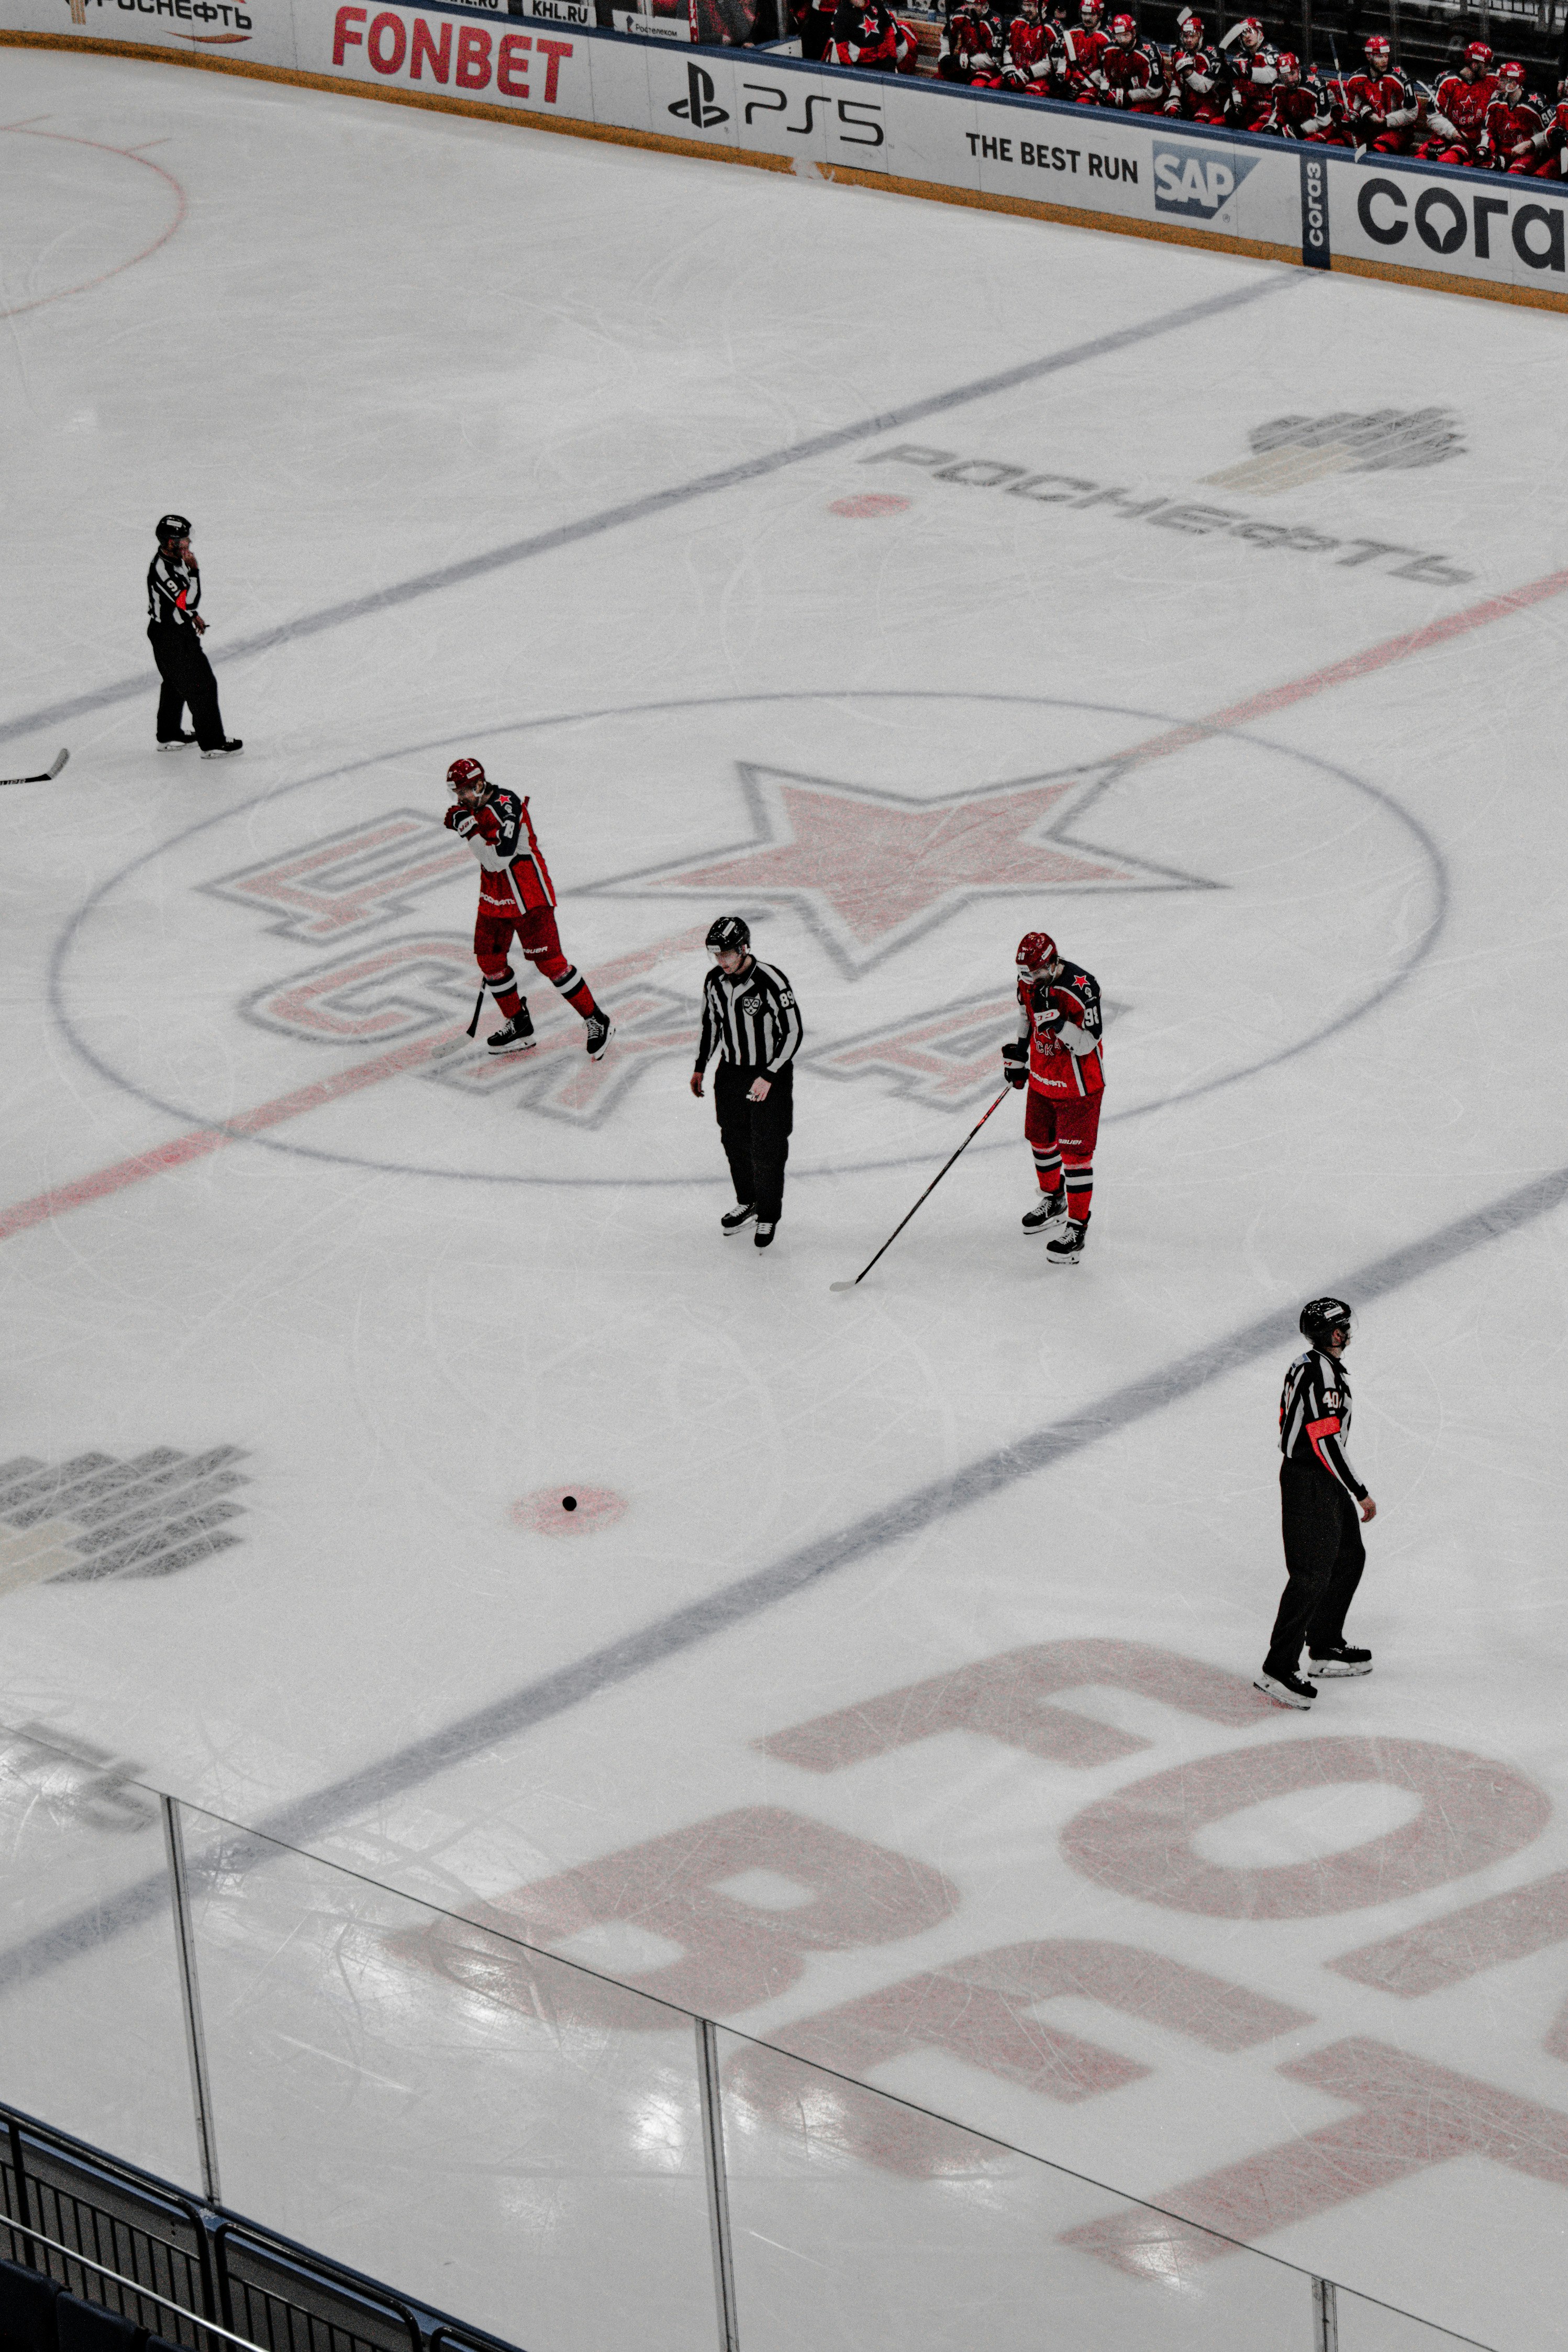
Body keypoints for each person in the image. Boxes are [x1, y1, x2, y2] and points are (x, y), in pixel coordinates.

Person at [441, 758, 612, 1060]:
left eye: (464, 792)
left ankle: (597, 1019)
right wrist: (466, 818)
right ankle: (520, 1024)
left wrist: (467, 828)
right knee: (489, 960)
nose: (459, 799)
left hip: (528, 894)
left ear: (480, 784)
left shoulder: (508, 806)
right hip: (495, 894)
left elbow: (497, 860)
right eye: (455, 793)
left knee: (551, 964)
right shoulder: (473, 805)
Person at [1256, 1297, 1378, 1710]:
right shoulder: (1321, 1375)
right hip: (1310, 1480)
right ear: (1333, 1333)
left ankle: (1324, 1647)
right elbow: (1324, 1440)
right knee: (1310, 1575)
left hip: (1319, 1479)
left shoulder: (1308, 1363)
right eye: (1342, 1326)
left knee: (1347, 1557)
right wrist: (1358, 1489)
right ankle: (1277, 1669)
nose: (1347, 1332)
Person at [690, 916, 803, 1251]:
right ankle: (749, 1201)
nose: (721, 961)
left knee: (768, 1146)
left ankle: (769, 1212)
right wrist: (700, 1067)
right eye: (716, 955)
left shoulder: (771, 980)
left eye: (726, 954)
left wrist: (770, 1075)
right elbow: (711, 1026)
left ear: (743, 948)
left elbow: (793, 1031)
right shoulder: (714, 981)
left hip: (770, 1074)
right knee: (734, 1140)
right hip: (731, 1073)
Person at [1000, 929, 1104, 1264]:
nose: (1031, 980)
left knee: (1076, 1157)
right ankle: (1053, 1199)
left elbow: (1088, 1044)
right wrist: (1019, 1054)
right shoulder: (1028, 984)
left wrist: (1059, 1024)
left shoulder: (1081, 987)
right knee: (1040, 1142)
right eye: (1025, 974)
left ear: (1052, 962)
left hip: (1079, 1087)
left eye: (1036, 972)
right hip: (1043, 1079)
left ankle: (1077, 1228)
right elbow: (1025, 1018)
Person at [146, 515, 241, 758]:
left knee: (175, 685)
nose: (188, 542)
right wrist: (195, 570)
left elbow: (182, 604)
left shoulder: (174, 559)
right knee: (203, 685)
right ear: (170, 542)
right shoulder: (163, 568)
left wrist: (192, 616)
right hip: (172, 638)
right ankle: (213, 743)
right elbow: (188, 599)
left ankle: (169, 734)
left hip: (171, 632)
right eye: (183, 539)